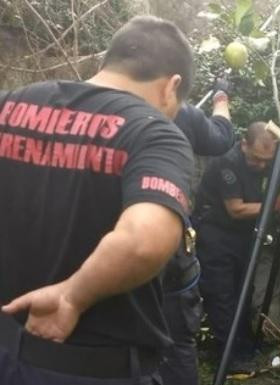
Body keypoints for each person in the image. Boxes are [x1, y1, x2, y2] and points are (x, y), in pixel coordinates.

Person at [0, 15, 194, 385]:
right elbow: (143, 242)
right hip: (94, 369)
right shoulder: (153, 134)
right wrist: (72, 297)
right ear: (172, 86)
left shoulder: (8, 107)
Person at [193, 121, 280, 373]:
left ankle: (245, 346)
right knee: (222, 295)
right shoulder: (228, 161)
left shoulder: (273, 163)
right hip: (215, 233)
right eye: (256, 159)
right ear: (244, 144)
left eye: (266, 161)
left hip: (244, 236)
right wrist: (277, 204)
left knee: (243, 292)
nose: (261, 165)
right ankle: (228, 357)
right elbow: (235, 209)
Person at [159, 78, 236, 385]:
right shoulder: (181, 114)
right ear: (171, 84)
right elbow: (222, 137)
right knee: (177, 341)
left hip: (108, 247)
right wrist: (221, 98)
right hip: (170, 247)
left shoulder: (90, 112)